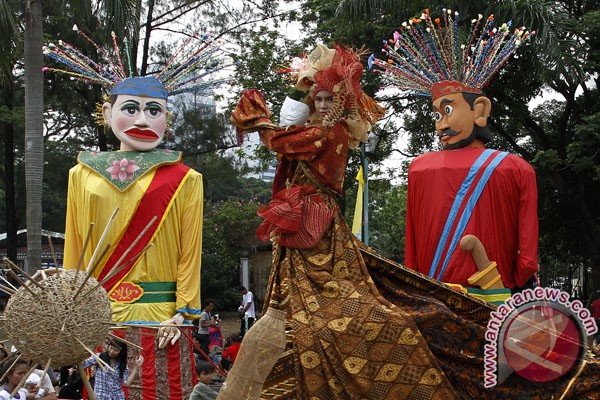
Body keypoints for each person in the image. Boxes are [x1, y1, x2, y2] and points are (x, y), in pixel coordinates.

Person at [222, 44, 456, 398]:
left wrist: (258, 119)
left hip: (317, 232)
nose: (323, 105)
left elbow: (279, 141)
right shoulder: (312, 131)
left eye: (330, 99)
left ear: (343, 103)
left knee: (330, 316)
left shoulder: (331, 134)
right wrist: (296, 93)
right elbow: (286, 133)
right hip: (298, 230)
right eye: (319, 99)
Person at [44, 30, 229, 399]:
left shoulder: (185, 178)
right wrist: (71, 308)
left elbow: (190, 252)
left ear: (167, 119)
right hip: (98, 316)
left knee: (163, 391)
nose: (142, 120)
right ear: (107, 112)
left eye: (153, 110)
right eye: (131, 108)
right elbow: (75, 250)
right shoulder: (81, 174)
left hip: (162, 317)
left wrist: (184, 312)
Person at [371, 11, 538, 297]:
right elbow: (528, 258)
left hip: (432, 296)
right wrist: (517, 279)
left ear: (480, 110)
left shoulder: (419, 168)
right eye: (437, 115)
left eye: (448, 111)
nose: (442, 124)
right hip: (497, 297)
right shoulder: (517, 168)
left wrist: (416, 280)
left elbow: (411, 252)